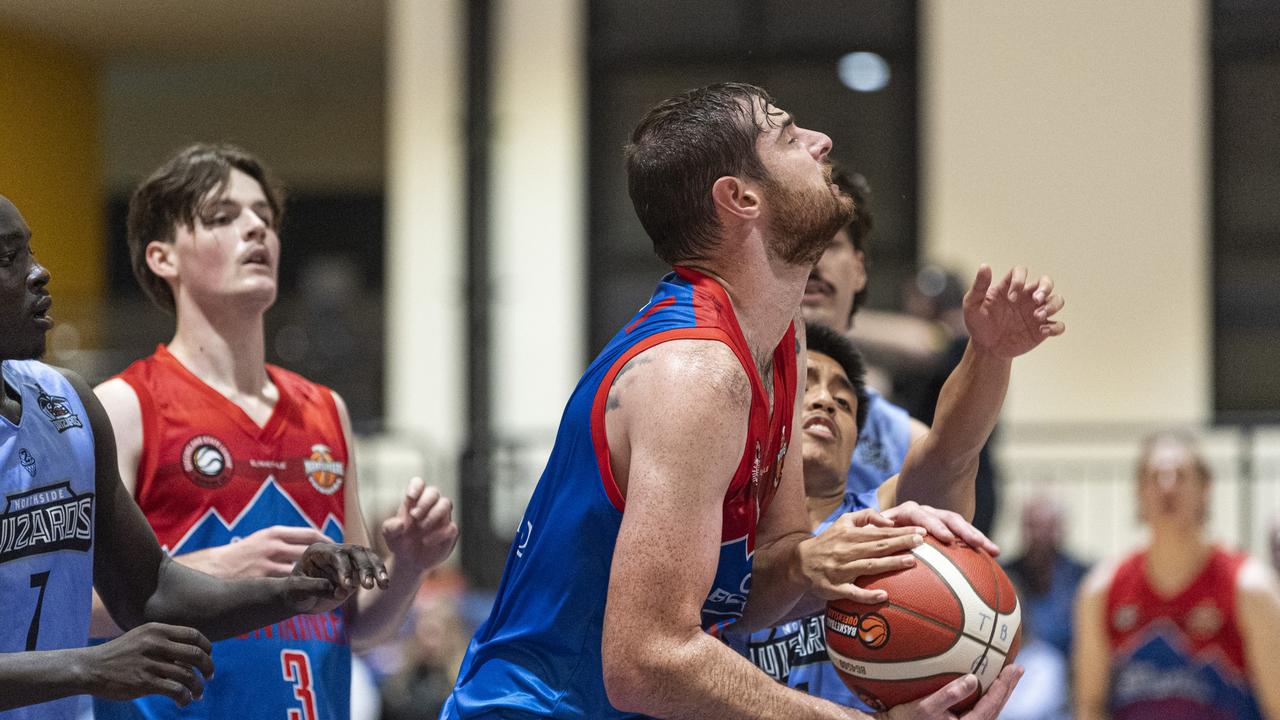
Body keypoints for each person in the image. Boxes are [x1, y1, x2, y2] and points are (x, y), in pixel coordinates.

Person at [442, 82, 1026, 719]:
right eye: (788, 134)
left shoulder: (781, 339)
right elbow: (647, 660)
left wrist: (830, 556)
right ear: (741, 198)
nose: (820, 142)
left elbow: (751, 592)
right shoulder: (698, 375)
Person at [88, 145, 459, 720]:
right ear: (163, 258)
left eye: (263, 215)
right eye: (222, 217)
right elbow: (64, 607)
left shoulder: (325, 410)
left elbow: (355, 624)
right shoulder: (125, 407)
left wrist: (408, 561)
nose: (256, 227)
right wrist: (212, 572)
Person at [0, 194, 388, 718]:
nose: (39, 273)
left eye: (30, 252)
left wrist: (291, 592)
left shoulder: (67, 402)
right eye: (9, 259)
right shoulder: (134, 401)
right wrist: (88, 669)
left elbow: (153, 593)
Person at [732, 307, 1063, 711]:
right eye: (806, 388)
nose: (825, 402)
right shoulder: (725, 527)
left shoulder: (890, 518)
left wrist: (991, 354)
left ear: (858, 440)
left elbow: (950, 450)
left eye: (843, 401)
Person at [1073, 432, 1280, 719]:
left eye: (1180, 476)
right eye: (1156, 476)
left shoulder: (1250, 587)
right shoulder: (1102, 589)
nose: (1167, 487)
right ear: (1140, 492)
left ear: (1205, 488)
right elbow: (1089, 706)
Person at [1001, 496, 1087, 658]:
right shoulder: (1004, 577)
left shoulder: (1082, 578)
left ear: (1062, 529)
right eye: (1033, 526)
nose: (1040, 535)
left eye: (1048, 527)